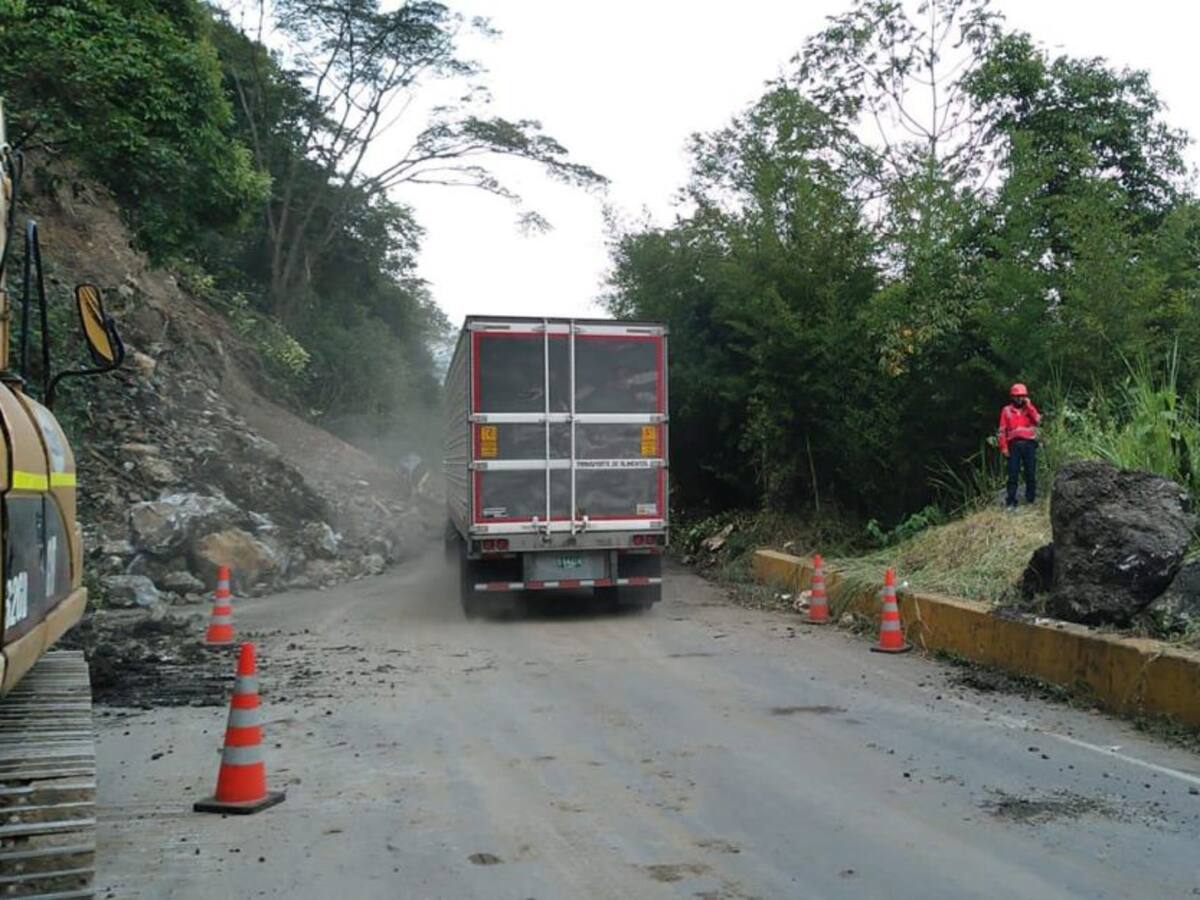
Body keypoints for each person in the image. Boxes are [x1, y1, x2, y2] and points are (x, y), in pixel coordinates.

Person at [998, 383, 1041, 508]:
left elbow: (1038, 420)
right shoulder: (1006, 410)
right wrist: (1004, 447)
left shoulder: (1029, 409)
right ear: (1012, 397)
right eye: (1017, 396)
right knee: (1013, 473)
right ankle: (1011, 501)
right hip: (1014, 445)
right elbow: (1002, 430)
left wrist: (1030, 406)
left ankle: (1031, 499)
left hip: (1029, 444)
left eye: (1022, 396)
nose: (1020, 399)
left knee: (1030, 472)